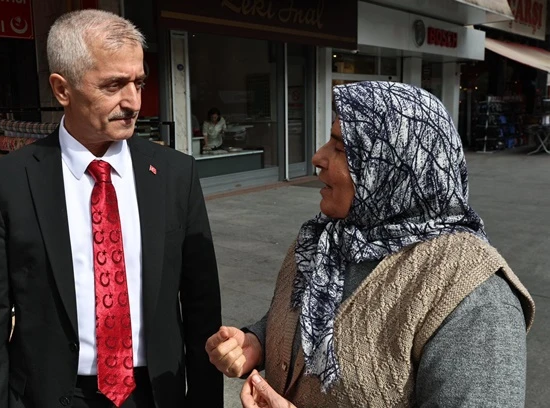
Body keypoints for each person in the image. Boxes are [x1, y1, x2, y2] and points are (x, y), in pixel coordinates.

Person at [206, 81, 535, 407]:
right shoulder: (322, 239)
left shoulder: (476, 301)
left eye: (340, 148)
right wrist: (257, 342)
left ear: (396, 164)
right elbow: (299, 314)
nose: (317, 157)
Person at [0, 9, 223, 408]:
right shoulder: (9, 182)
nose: (133, 102)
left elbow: (201, 304)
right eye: (114, 85)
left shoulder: (175, 174)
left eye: (138, 82)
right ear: (62, 89)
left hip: (154, 392)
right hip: (51, 395)